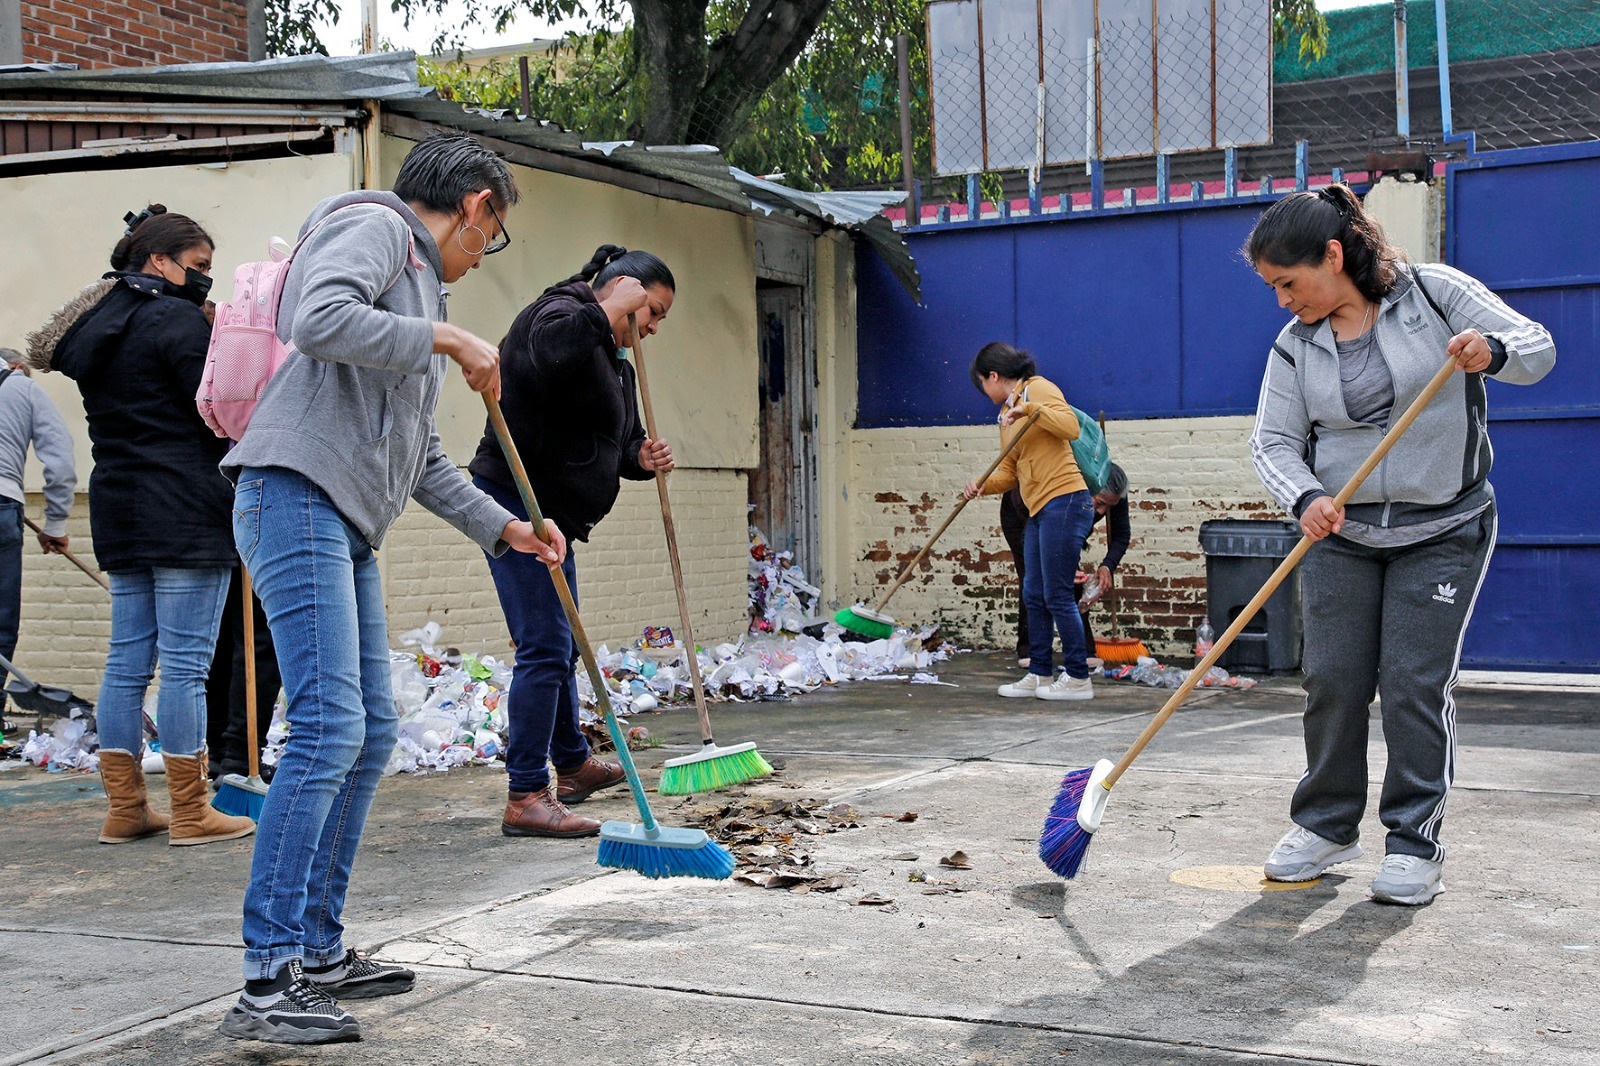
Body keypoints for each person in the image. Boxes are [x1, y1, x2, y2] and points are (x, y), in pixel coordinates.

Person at [216, 131, 566, 1044]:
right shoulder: (375, 226)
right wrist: (447, 337)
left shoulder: (416, 292)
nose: (479, 257)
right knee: (330, 725)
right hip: (293, 496)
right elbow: (313, 317)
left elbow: (421, 459)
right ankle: (267, 977)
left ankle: (321, 949)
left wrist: (508, 528)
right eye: (489, 237)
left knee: (368, 730)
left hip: (337, 516)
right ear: (479, 206)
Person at [1247, 184, 1554, 905]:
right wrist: (1306, 497)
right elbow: (1272, 442)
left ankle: (1415, 842)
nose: (1282, 301)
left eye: (1289, 283)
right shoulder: (1296, 346)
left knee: (1413, 685)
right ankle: (1325, 825)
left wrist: (1492, 351)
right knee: (1332, 681)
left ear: (1332, 255)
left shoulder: (1435, 295)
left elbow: (1537, 348)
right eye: (1272, 288)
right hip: (1343, 534)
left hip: (1442, 528)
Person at [26, 207, 255, 849]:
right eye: (200, 267)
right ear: (159, 260)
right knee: (184, 666)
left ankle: (125, 809)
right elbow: (219, 409)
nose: (206, 279)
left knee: (126, 662)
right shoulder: (178, 322)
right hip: (185, 505)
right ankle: (190, 810)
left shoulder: (100, 328)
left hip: (119, 506)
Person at [467, 245, 674, 837]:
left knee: (562, 643)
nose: (653, 327)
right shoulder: (558, 311)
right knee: (544, 645)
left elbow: (621, 440)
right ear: (627, 291)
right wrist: (608, 306)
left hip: (557, 516)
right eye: (652, 311)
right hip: (517, 502)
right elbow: (546, 354)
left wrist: (640, 455)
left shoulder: (616, 362)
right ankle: (526, 793)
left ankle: (574, 764)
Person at [961, 342, 1095, 701]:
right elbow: (1009, 470)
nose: (983, 390)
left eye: (982, 382)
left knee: (1057, 593)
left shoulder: (1038, 388)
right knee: (1033, 592)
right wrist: (982, 486)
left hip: (1065, 500)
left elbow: (1069, 427)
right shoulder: (1006, 413)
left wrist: (1030, 410)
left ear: (993, 375)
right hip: (1037, 508)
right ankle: (1038, 673)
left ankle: (1079, 677)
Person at [0, 349, 77, 733]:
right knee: (0, 623)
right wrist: (56, 523)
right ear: (16, 367)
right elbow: (60, 460)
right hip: (1, 504)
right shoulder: (21, 389)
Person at [204, 565, 280, 782]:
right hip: (253, 539)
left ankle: (219, 753)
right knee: (257, 637)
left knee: (223, 636)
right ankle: (239, 759)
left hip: (216, 541)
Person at [1075, 461, 1131, 661]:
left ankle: (1083, 653)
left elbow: (1121, 535)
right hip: (1024, 521)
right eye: (1099, 503)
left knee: (1076, 586)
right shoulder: (1072, 488)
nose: (1101, 512)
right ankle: (1031, 653)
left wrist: (1108, 565)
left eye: (1109, 506)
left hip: (1072, 532)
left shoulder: (1115, 494)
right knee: (1033, 582)